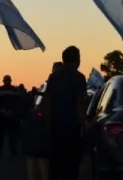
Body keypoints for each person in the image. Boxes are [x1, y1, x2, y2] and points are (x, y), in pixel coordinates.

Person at [44, 46, 88, 180]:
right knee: (71, 166)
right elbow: (80, 102)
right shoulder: (79, 77)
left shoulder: (54, 77)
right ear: (77, 60)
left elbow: (47, 101)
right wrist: (83, 125)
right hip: (72, 128)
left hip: (55, 126)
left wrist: (47, 124)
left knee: (56, 164)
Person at [0, 75, 22, 157]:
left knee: (0, 136)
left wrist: (1, 111)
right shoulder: (15, 90)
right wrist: (12, 111)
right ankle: (13, 152)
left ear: (3, 81)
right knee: (12, 135)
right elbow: (18, 104)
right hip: (12, 116)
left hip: (1, 116)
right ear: (10, 81)